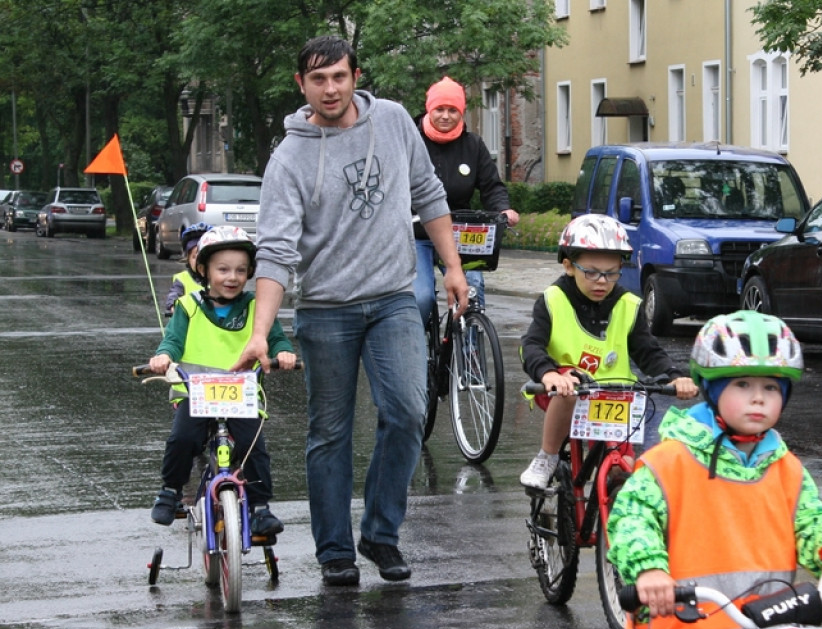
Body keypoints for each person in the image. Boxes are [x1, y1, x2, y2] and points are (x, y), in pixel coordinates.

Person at [231, 35, 468, 587]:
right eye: (318, 79)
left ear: (355, 75)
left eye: (339, 76)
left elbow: (428, 193)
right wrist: (261, 332)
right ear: (302, 85)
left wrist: (453, 267)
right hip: (326, 310)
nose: (330, 88)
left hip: (393, 299)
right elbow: (275, 253)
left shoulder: (391, 121)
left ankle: (381, 534)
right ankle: (335, 550)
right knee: (330, 433)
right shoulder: (289, 157)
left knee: (408, 413)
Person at [607, 310, 822, 629]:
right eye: (742, 385)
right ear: (712, 390)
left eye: (771, 388)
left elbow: (811, 521)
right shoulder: (667, 462)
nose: (758, 399)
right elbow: (631, 519)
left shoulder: (786, 468)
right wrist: (649, 570)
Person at [518, 214, 699, 489]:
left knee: (623, 467)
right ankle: (547, 456)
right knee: (569, 388)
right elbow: (531, 345)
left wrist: (674, 376)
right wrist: (549, 373)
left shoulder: (628, 304)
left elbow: (648, 351)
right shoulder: (552, 300)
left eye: (611, 273)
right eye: (590, 272)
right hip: (561, 392)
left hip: (613, 397)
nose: (601, 281)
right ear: (568, 266)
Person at [148, 226, 297, 536]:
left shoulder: (257, 308)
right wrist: (163, 356)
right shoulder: (188, 305)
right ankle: (170, 491)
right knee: (182, 439)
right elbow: (173, 341)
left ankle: (259, 507)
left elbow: (277, 338)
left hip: (241, 397)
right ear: (203, 269)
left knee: (253, 446)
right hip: (197, 396)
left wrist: (284, 353)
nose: (232, 277)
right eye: (223, 269)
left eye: (241, 271)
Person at [413, 75, 520, 324]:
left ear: (461, 113)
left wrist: (503, 209)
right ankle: (419, 352)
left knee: (472, 290)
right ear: (430, 109)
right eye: (440, 109)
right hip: (417, 233)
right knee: (421, 297)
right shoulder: (412, 141)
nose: (446, 116)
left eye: (453, 110)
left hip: (459, 234)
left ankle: (471, 354)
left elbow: (491, 186)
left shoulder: (473, 145)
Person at [163, 222, 210, 315]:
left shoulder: (218, 278)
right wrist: (173, 305)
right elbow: (174, 294)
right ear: (187, 259)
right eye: (194, 256)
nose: (199, 260)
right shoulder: (182, 279)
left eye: (204, 256)